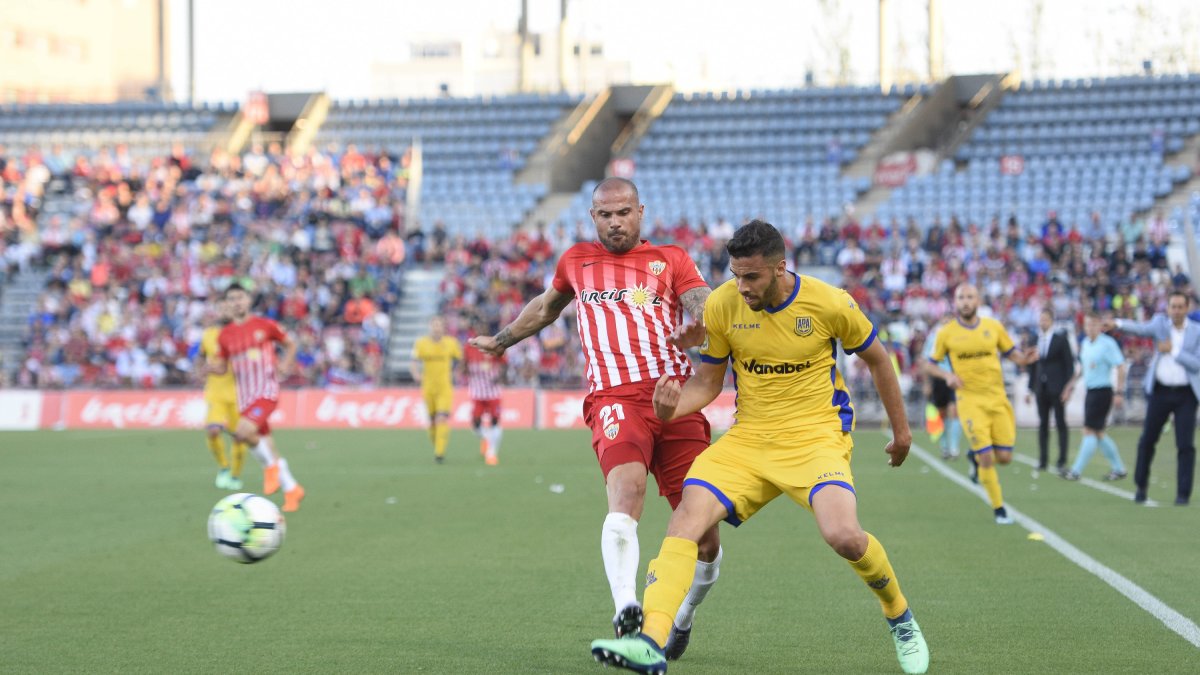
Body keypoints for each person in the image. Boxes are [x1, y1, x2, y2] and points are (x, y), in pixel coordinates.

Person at [588, 220, 929, 675]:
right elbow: (708, 385)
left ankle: (899, 616)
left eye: (751, 277)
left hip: (815, 438)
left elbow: (878, 360)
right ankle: (650, 641)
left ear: (779, 267)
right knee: (686, 521)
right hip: (748, 439)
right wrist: (669, 409)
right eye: (735, 275)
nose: (741, 286)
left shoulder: (829, 303)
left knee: (844, 537)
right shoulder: (725, 305)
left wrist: (902, 432)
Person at [471, 177, 720, 656]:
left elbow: (704, 304)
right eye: (605, 214)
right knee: (625, 494)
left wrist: (703, 326)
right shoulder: (577, 261)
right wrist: (502, 341)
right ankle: (627, 605)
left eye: (623, 212)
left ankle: (684, 613)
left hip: (676, 399)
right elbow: (546, 308)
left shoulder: (670, 259)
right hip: (614, 400)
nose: (615, 222)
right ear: (592, 217)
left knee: (705, 539)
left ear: (640, 212)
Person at [924, 284, 1038, 525]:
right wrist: (947, 376)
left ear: (978, 301)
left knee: (1005, 457)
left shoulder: (993, 327)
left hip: (997, 399)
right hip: (969, 401)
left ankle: (974, 458)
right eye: (961, 298)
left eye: (969, 297)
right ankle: (999, 509)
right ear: (955, 302)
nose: (965, 302)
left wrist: (1025, 359)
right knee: (987, 457)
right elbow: (930, 363)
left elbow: (1012, 354)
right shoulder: (946, 333)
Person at [209, 283, 305, 512]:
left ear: (249, 300)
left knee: (242, 433)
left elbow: (290, 344)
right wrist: (210, 368)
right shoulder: (225, 335)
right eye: (231, 299)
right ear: (227, 304)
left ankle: (270, 469)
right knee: (267, 446)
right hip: (246, 398)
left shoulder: (264, 325)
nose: (236, 302)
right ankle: (292, 490)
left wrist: (285, 364)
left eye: (240, 298)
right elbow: (222, 367)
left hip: (266, 391)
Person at [1108, 292, 1200, 505]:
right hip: (1161, 392)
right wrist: (1117, 323)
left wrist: (1174, 351)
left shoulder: (1196, 332)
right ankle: (1141, 487)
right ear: (1167, 308)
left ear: (1187, 308)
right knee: (1147, 440)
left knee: (1185, 445)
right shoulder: (1160, 325)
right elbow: (1140, 328)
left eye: (1180, 307)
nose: (1176, 311)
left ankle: (1183, 495)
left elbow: (1197, 364)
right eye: (1173, 307)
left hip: (1186, 394)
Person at [1061, 312, 1128, 481]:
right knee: (1098, 433)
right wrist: (1070, 386)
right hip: (1091, 391)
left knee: (1089, 430)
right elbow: (1082, 369)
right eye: (1087, 325)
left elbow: (1120, 366)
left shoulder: (1107, 344)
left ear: (1100, 326)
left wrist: (1119, 392)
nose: (1090, 328)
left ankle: (1076, 471)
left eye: (1093, 325)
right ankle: (1119, 469)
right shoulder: (1085, 344)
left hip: (1103, 391)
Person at [195, 298, 247, 489]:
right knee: (213, 430)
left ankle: (235, 475)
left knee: (239, 436)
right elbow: (200, 357)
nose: (225, 311)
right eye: (222, 308)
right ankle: (224, 467)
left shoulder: (241, 335)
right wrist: (200, 370)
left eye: (229, 308)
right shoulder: (208, 335)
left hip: (238, 394)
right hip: (215, 393)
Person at [1027, 308, 1076, 471]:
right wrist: (1030, 388)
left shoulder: (1061, 339)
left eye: (1046, 319)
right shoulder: (1034, 339)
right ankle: (1043, 460)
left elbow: (1069, 365)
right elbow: (1032, 366)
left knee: (1061, 424)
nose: (1043, 323)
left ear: (1051, 321)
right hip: (1041, 388)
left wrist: (1068, 387)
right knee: (1043, 424)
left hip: (1058, 388)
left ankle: (1062, 460)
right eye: (1041, 320)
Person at [411, 316, 462, 464]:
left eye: (439, 325)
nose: (437, 328)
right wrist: (415, 374)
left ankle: (439, 453)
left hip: (444, 386)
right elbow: (414, 361)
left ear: (443, 327)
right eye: (434, 325)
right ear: (430, 327)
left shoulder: (451, 343)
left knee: (441, 417)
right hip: (428, 387)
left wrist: (456, 372)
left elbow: (459, 360)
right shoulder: (421, 343)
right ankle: (437, 446)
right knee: (432, 421)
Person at [462, 322, 506, 466]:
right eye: (478, 327)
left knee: (494, 422)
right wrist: (464, 371)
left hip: (493, 392)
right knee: (475, 424)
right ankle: (486, 439)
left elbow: (504, 363)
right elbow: (464, 365)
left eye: (483, 327)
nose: (480, 329)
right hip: (477, 391)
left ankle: (492, 454)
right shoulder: (469, 347)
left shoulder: (494, 345)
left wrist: (500, 377)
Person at [923, 316, 962, 462]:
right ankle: (945, 446)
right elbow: (926, 362)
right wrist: (926, 383)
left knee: (955, 411)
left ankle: (954, 448)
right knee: (942, 413)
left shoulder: (958, 338)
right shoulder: (933, 338)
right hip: (938, 378)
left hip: (954, 379)